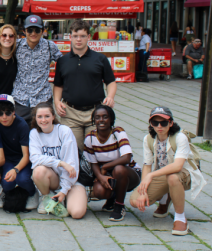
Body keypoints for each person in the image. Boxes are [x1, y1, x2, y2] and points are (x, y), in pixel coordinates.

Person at [129, 106, 206, 236]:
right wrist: (143, 190)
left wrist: (151, 175)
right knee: (135, 201)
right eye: (155, 122)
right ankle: (166, 197)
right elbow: (147, 165)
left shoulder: (180, 137)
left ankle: (180, 218)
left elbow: (177, 166)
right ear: (150, 124)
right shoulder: (148, 139)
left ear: (170, 123)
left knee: (172, 177)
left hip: (185, 175)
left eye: (164, 122)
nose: (159, 126)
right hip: (163, 174)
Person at [53, 20, 117, 150]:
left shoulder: (100, 59)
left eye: (82, 36)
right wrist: (56, 101)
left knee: (95, 150)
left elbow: (110, 81)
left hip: (96, 112)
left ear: (88, 37)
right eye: (75, 36)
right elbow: (58, 85)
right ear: (70, 37)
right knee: (73, 150)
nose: (78, 39)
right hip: (70, 113)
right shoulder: (62, 61)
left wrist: (110, 96)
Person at [29, 102, 87, 219]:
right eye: (39, 117)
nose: (43, 120)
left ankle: (65, 197)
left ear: (53, 117)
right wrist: (60, 163)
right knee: (38, 170)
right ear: (35, 118)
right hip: (53, 179)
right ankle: (46, 196)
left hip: (71, 180)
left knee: (76, 213)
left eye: (47, 116)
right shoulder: (34, 133)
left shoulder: (64, 131)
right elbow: (35, 158)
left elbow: (71, 165)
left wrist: (64, 190)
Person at [83, 105, 140, 221]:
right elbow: (93, 163)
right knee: (99, 191)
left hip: (129, 173)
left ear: (111, 119)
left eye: (105, 117)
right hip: (107, 174)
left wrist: (105, 166)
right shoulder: (90, 138)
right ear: (94, 120)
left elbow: (127, 157)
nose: (101, 120)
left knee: (118, 169)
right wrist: (100, 176)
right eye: (97, 117)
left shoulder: (118, 133)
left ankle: (119, 206)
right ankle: (112, 198)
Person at [12, 15, 62, 125]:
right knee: (20, 132)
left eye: (37, 30)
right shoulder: (16, 45)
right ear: (24, 31)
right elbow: (0, 56)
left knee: (44, 132)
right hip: (21, 99)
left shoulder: (50, 46)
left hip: (43, 98)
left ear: (43, 31)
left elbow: (64, 62)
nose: (33, 33)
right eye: (30, 30)